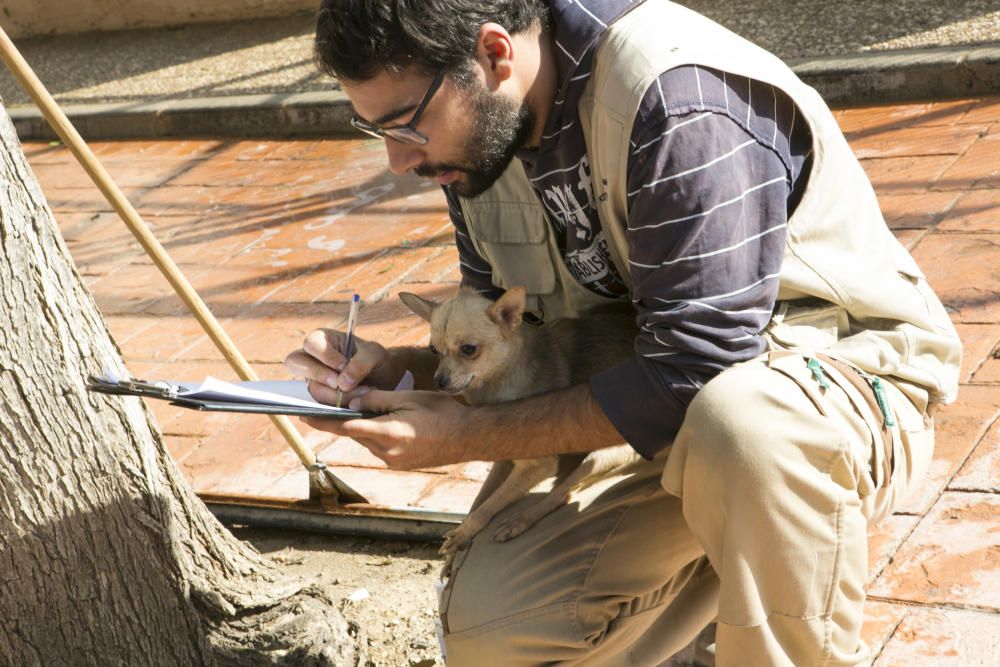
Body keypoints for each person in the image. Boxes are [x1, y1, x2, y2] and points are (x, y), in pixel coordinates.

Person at [284, 1, 962, 664]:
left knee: (742, 427)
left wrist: (461, 437)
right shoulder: (478, 140)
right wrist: (395, 370)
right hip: (654, 419)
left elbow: (694, 372)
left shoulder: (675, 102)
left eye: (404, 124)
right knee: (497, 629)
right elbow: (508, 346)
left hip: (828, 398)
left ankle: (774, 609)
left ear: (493, 54)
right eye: (378, 132)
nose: (399, 162)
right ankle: (727, 580)